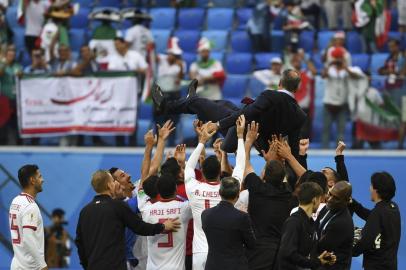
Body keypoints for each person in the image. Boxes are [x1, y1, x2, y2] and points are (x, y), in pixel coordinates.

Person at [152, 69, 306, 156]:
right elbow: (295, 148)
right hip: (258, 139)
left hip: (241, 132)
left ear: (280, 83)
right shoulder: (300, 115)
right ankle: (191, 101)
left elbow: (247, 115)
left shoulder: (270, 95)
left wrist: (218, 125)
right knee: (223, 103)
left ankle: (164, 105)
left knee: (200, 104)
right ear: (297, 88)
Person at [75, 170, 181, 270]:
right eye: (113, 181)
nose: (115, 183)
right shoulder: (117, 206)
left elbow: (80, 243)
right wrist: (162, 226)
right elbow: (140, 227)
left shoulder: (85, 211)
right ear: (109, 185)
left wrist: (87, 265)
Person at [184, 116, 246, 270]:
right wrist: (239, 137)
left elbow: (189, 168)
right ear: (220, 172)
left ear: (202, 171)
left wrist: (201, 141)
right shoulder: (228, 190)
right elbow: (240, 167)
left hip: (199, 253)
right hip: (221, 255)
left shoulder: (193, 188)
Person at [243, 122, 295, 270]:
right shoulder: (287, 193)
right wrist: (281, 158)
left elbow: (245, 164)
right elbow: (283, 177)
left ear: (264, 174)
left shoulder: (256, 188)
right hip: (280, 252)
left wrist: (249, 140)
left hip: (257, 252)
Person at [278, 182, 336, 270]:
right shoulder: (293, 222)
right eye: (320, 199)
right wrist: (314, 262)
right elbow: (288, 253)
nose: (320, 203)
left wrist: (323, 258)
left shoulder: (310, 222)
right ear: (314, 200)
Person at [202, 177, 256, 270]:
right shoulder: (242, 217)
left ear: (219, 192)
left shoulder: (205, 214)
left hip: (212, 265)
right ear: (238, 195)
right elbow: (252, 244)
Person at [141, 174, 192, 270]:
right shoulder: (185, 208)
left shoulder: (146, 210)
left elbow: (141, 190)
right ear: (176, 188)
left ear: (158, 191)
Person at [352, 172, 401, 270]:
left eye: (371, 186)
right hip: (390, 265)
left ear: (377, 190)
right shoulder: (393, 207)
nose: (370, 188)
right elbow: (372, 217)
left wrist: (349, 251)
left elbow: (364, 242)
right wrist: (352, 203)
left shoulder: (378, 212)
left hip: (376, 266)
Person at [9, 164, 48, 270]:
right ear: (32, 180)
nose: (43, 180)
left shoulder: (15, 201)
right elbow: (28, 238)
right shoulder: (30, 206)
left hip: (16, 264)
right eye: (39, 176)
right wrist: (42, 265)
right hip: (29, 267)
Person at [316, 181, 354, 270]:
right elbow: (315, 229)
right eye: (330, 194)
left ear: (346, 201)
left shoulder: (341, 223)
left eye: (336, 198)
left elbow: (321, 248)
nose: (329, 199)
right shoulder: (328, 207)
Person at [154, 37, 184, 146]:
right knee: (158, 120)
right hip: (160, 94)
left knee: (173, 120)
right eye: (170, 54)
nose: (171, 57)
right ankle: (157, 143)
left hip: (174, 95)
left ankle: (171, 144)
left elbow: (179, 80)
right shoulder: (161, 59)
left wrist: (180, 67)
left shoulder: (181, 64)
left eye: (174, 55)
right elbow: (152, 56)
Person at [0, 45, 23, 145]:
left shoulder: (17, 66)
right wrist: (5, 63)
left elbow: (22, 76)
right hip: (4, 100)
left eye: (13, 51)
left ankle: (18, 144)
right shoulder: (2, 65)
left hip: (16, 100)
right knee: (4, 124)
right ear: (6, 54)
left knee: (16, 125)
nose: (12, 53)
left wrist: (21, 75)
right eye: (10, 51)